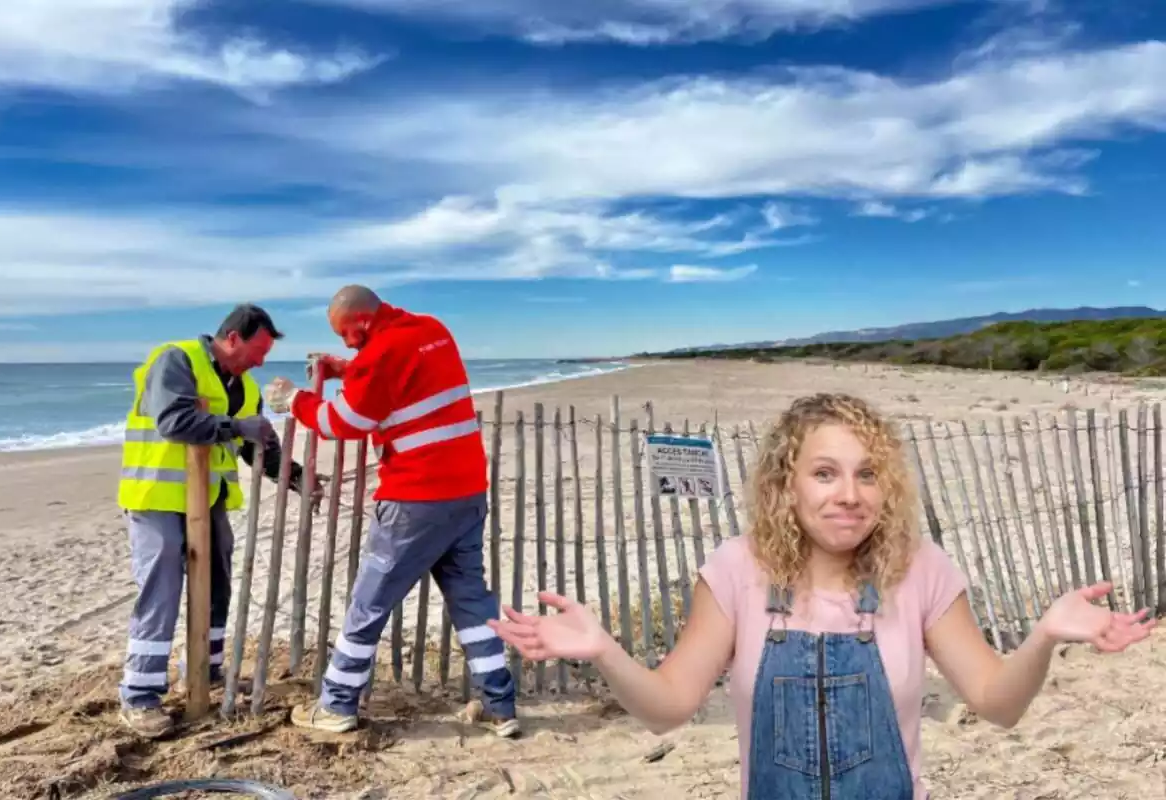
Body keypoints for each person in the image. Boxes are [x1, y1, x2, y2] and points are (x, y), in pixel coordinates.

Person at [487, 393, 1156, 799]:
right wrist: (604, 649)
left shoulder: (919, 569)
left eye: (868, 475)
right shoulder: (735, 570)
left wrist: (1041, 637)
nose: (849, 494)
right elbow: (669, 708)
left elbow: (997, 705)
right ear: (787, 484)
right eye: (825, 473)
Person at [264, 285, 519, 738]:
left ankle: (338, 705)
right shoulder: (430, 330)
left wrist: (295, 401)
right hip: (467, 492)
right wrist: (351, 367)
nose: (345, 344)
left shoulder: (381, 352)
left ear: (361, 323)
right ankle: (501, 706)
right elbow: (399, 377)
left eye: (347, 335)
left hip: (416, 499)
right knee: (472, 600)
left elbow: (344, 422)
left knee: (369, 602)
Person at [117, 303, 316, 737]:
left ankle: (205, 671)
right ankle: (139, 695)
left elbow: (257, 441)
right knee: (162, 585)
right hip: (156, 495)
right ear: (231, 338)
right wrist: (235, 427)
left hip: (210, 500)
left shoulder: (245, 386)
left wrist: (297, 477)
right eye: (257, 350)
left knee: (219, 581)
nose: (262, 361)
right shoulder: (177, 359)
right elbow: (175, 421)